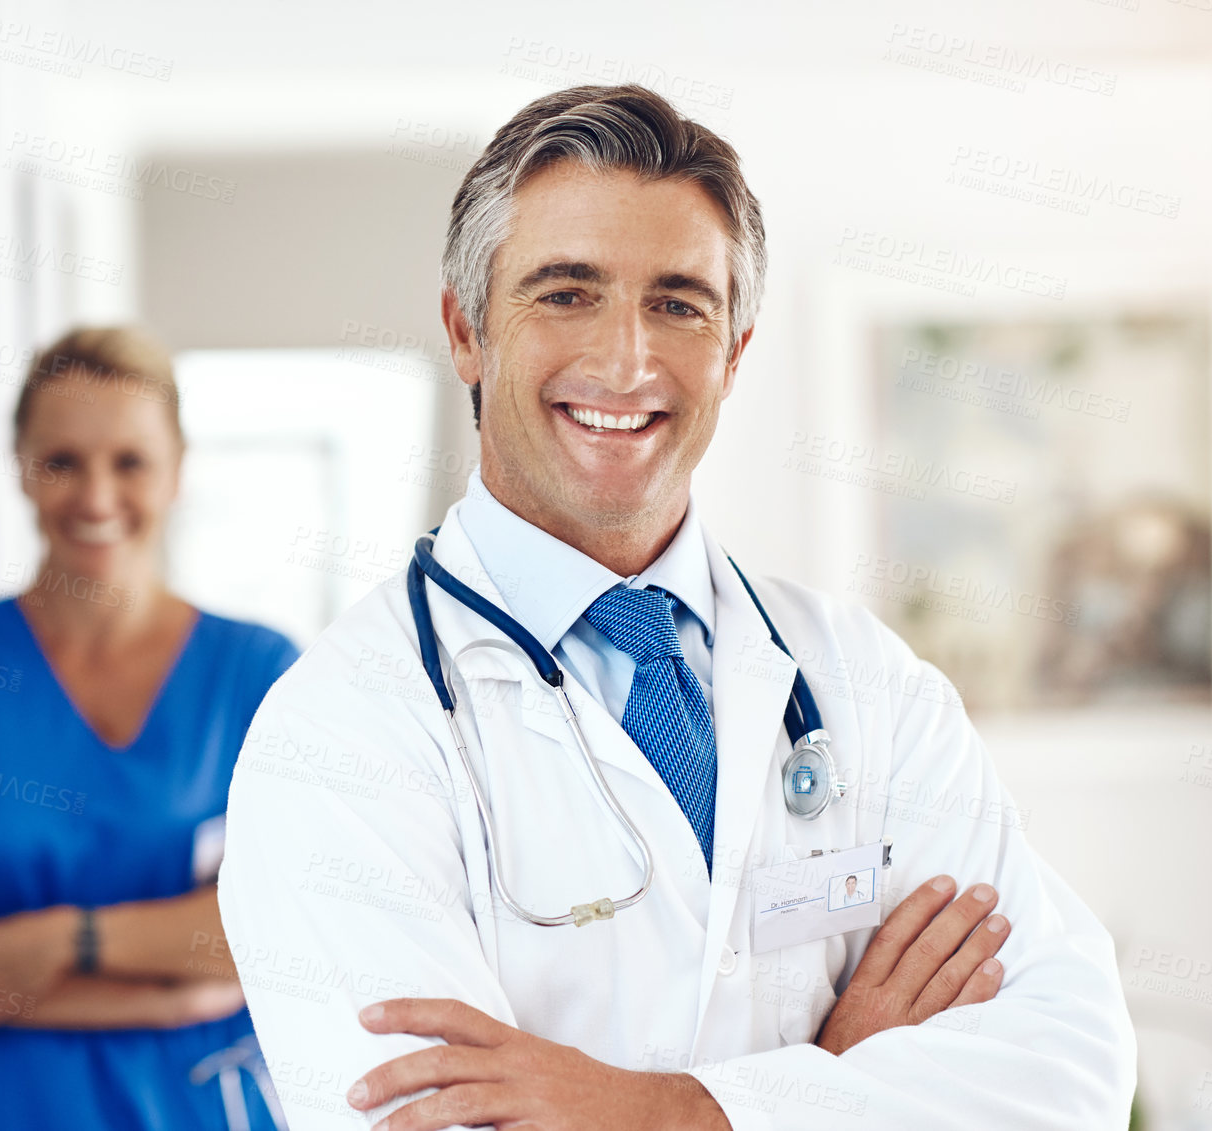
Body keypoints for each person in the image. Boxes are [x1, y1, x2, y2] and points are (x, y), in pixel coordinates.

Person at [217, 86, 1136, 1129]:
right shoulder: (341, 731)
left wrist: (678, 1112)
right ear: (465, 331)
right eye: (565, 294)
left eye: (677, 303)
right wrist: (838, 1079)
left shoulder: (862, 682)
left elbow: (1071, 1074)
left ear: (734, 351)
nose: (626, 361)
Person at [0, 326, 298, 1130]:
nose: (96, 498)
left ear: (177, 471)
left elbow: (277, 937)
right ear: (22, 469)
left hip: (197, 1105)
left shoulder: (256, 672)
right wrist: (173, 991)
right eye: (62, 461)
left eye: (129, 462)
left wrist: (65, 940)